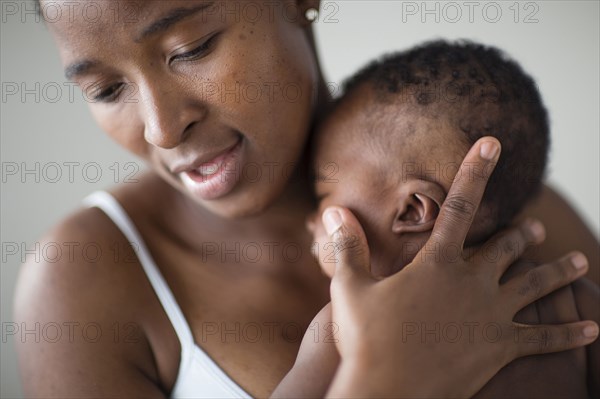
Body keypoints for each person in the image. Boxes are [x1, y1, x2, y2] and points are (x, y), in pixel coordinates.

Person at [14, 1, 599, 398]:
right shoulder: (84, 283)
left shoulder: (508, 209)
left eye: (190, 48)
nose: (162, 129)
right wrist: (386, 380)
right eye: (106, 89)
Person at [272, 40, 600, 398]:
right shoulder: (565, 302)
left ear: (413, 210)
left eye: (323, 196)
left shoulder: (342, 331)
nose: (310, 220)